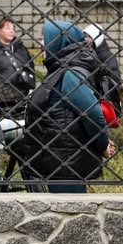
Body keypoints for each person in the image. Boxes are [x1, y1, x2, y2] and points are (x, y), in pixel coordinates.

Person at [13, 21, 113, 193]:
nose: (41, 43)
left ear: (59, 41)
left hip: (67, 162)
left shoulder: (70, 74)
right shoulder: (62, 69)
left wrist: (102, 144)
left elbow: (92, 114)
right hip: (61, 159)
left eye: (45, 38)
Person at [0, 15, 36, 109]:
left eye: (13, 28)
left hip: (22, 98)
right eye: (7, 28)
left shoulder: (20, 48)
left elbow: (30, 67)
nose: (11, 31)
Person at [81, 23, 122, 111]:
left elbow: (114, 79)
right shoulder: (86, 54)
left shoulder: (107, 57)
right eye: (85, 36)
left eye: (89, 36)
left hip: (103, 102)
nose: (86, 39)